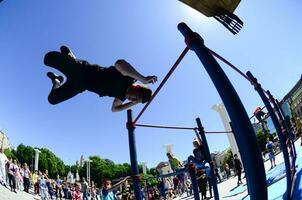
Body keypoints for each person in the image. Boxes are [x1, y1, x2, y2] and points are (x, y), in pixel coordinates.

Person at [43, 46, 157, 112]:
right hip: (82, 70)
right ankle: (71, 58)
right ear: (137, 87)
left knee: (52, 100)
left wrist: (135, 103)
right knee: (48, 58)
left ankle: (57, 80)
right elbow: (119, 63)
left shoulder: (121, 96)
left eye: (133, 100)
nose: (131, 99)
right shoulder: (129, 78)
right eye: (135, 97)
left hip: (80, 85)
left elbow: (114, 109)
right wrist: (142, 79)